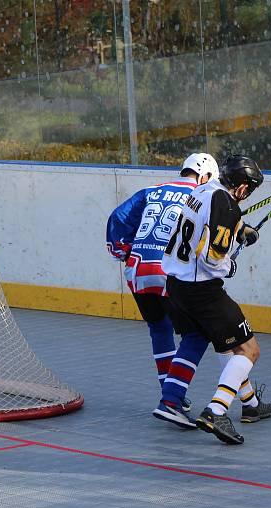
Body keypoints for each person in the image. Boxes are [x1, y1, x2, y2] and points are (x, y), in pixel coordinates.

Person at [162, 154, 271, 444]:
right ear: (240, 186)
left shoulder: (202, 190)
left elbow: (206, 223)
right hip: (202, 291)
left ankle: (250, 404)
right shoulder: (226, 205)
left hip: (175, 286)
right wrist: (230, 266)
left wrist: (240, 228)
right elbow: (213, 257)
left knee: (226, 345)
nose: (248, 194)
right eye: (248, 188)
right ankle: (216, 411)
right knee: (249, 350)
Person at [106, 153, 219, 424]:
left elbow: (117, 218)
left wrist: (123, 251)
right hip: (169, 273)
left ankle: (170, 392)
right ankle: (171, 399)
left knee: (159, 328)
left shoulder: (151, 191)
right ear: (204, 177)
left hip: (138, 270)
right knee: (198, 332)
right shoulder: (203, 195)